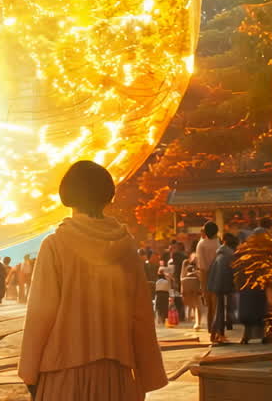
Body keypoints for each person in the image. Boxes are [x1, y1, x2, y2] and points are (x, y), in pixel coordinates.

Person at [18, 160, 165, 400]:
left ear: (68, 195)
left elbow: (40, 315)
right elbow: (140, 315)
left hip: (63, 376)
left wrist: (29, 373)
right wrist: (146, 376)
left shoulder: (55, 245)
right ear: (107, 196)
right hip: (116, 378)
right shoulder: (126, 246)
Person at [207, 233, 237, 345]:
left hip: (216, 284)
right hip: (222, 285)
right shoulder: (229, 255)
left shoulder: (221, 253)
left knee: (219, 310)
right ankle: (219, 334)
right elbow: (230, 272)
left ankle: (215, 334)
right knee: (221, 311)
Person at [195, 221, 221, 334]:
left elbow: (202, 266)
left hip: (207, 275)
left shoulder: (201, 244)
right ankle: (218, 329)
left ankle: (212, 329)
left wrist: (203, 284)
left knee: (210, 304)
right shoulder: (218, 242)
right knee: (217, 304)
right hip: (218, 274)